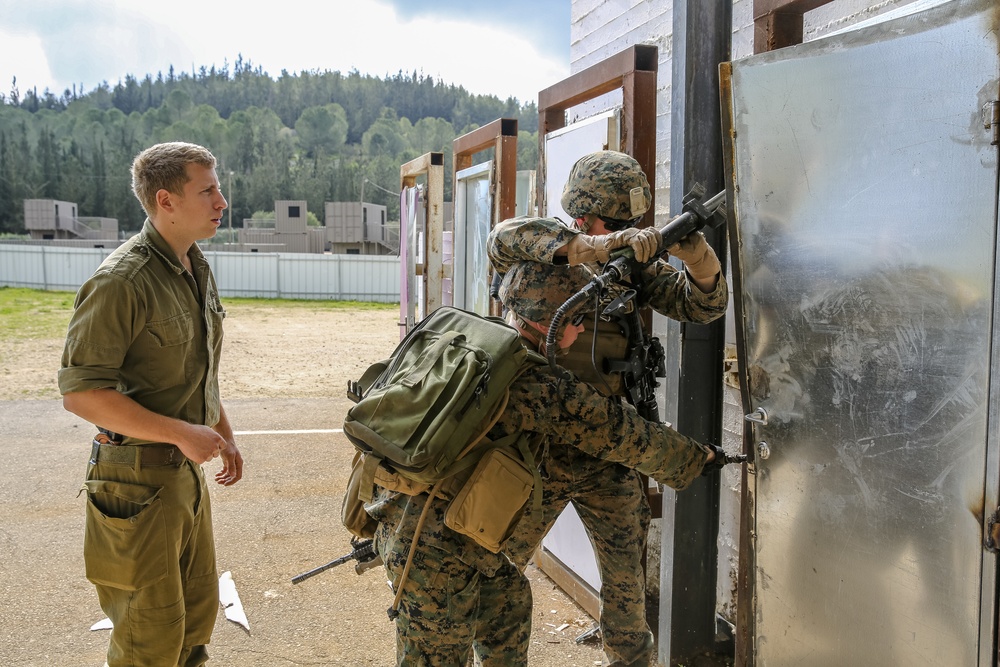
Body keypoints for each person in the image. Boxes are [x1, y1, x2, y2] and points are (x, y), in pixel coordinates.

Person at [364, 260, 728, 666]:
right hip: (431, 553)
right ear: (547, 323)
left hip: (443, 531)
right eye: (576, 320)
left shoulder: (474, 337)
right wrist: (700, 457)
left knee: (508, 605)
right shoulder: (539, 385)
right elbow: (625, 435)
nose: (582, 330)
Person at [485, 150, 728, 666]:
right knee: (493, 569)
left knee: (626, 593)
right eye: (610, 222)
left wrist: (699, 260)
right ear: (582, 214)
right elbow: (501, 238)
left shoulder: (630, 269)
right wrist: (599, 245)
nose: (622, 230)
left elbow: (701, 306)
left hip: (610, 451)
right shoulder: (541, 247)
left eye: (627, 223)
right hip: (532, 453)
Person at [59, 141, 244, 667]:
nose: (221, 201)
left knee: (193, 623)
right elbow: (81, 393)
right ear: (166, 200)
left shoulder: (192, 266)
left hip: (181, 479)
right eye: (206, 190)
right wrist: (183, 434)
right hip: (136, 484)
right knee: (149, 639)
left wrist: (221, 432)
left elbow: (197, 370)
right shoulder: (122, 281)